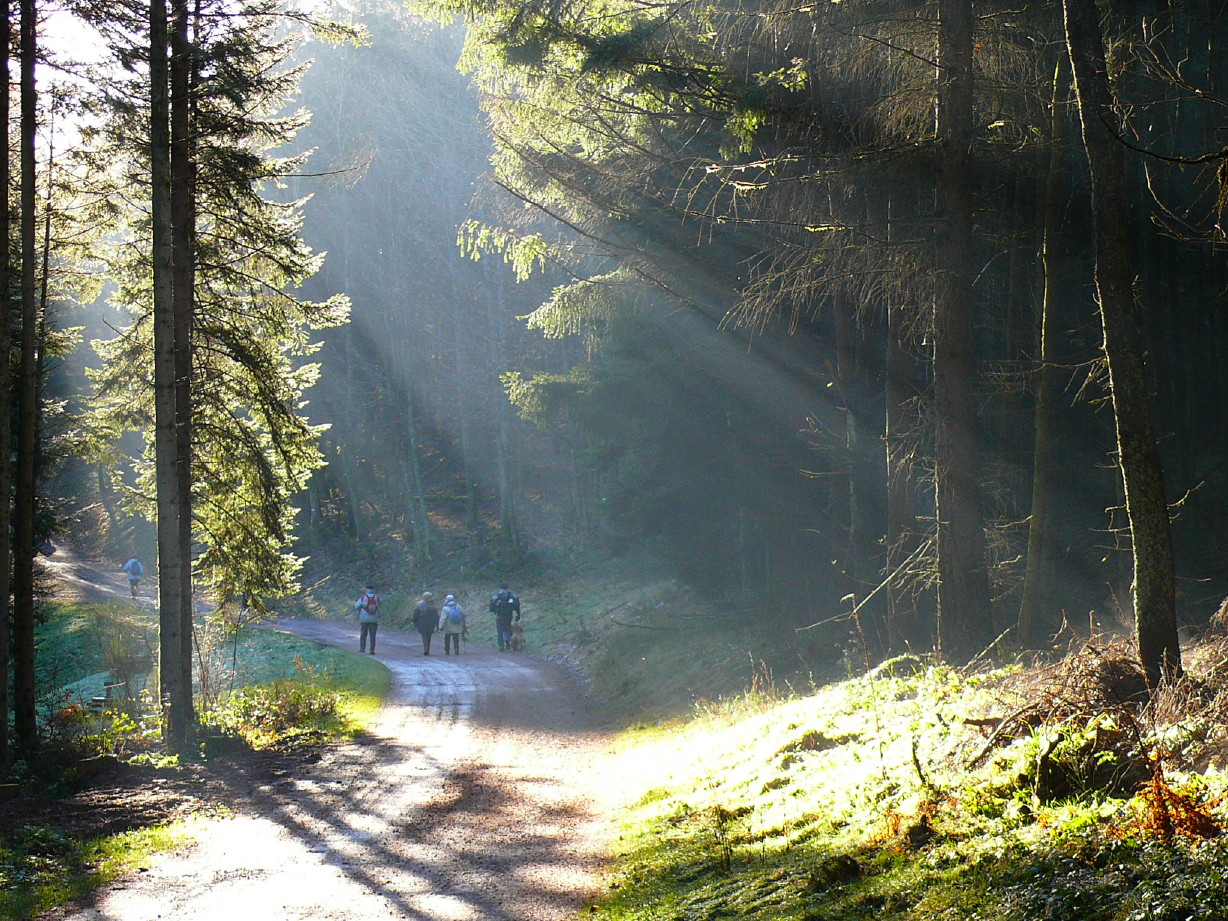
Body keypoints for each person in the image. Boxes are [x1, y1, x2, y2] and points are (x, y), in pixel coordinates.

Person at [489, 583, 521, 652]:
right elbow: (517, 605)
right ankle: (507, 638)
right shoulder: (511, 596)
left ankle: (501, 645)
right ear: (507, 588)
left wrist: (495, 610)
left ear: (500, 589)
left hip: (499, 616)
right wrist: (518, 615)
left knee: (500, 630)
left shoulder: (497, 596)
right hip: (509, 615)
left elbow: (491, 605)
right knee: (507, 628)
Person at [355, 584, 381, 655]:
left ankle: (362, 649)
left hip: (364, 618)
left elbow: (356, 606)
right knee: (373, 635)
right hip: (374, 619)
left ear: (366, 589)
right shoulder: (376, 597)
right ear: (373, 589)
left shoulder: (363, 597)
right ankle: (372, 650)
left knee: (363, 634)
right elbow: (380, 603)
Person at [412, 591, 440, 656]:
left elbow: (415, 615)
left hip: (422, 623)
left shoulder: (419, 605)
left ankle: (426, 649)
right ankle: (427, 649)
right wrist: (437, 624)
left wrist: (415, 623)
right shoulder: (433, 605)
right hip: (430, 624)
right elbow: (436, 616)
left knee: (424, 636)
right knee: (429, 636)